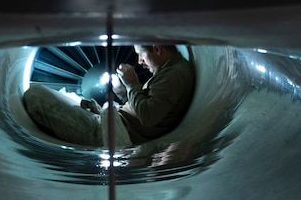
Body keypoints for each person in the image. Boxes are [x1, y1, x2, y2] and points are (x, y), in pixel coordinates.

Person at [22, 43, 195, 147]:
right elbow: (147, 110)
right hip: (113, 120)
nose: (140, 61)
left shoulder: (174, 75)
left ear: (157, 49)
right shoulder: (172, 70)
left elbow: (148, 116)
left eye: (141, 54)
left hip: (108, 133)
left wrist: (132, 84)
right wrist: (123, 92)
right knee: (65, 95)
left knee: (36, 96)